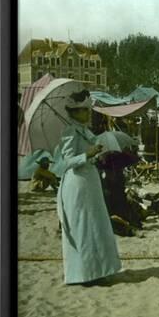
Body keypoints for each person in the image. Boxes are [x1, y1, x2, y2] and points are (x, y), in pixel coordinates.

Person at [57, 89, 121, 285]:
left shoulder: (84, 131)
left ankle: (97, 270)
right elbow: (66, 162)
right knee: (83, 227)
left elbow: (90, 150)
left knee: (95, 225)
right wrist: (87, 154)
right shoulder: (69, 131)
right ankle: (83, 273)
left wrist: (96, 153)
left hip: (89, 182)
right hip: (77, 184)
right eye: (84, 110)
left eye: (87, 109)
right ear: (74, 112)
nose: (88, 113)